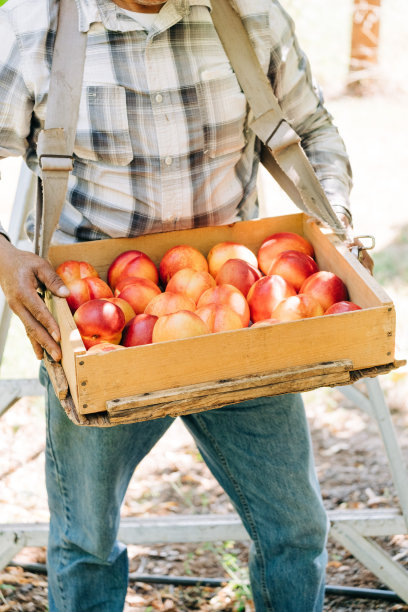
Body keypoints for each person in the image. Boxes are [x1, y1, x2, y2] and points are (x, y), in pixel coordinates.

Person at [0, 1, 372, 610]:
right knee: (85, 540)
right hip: (104, 336)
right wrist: (4, 258)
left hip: (247, 321)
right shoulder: (34, 26)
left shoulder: (249, 15)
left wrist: (337, 222)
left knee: (297, 530)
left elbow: (312, 130)